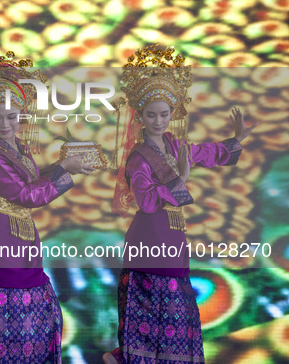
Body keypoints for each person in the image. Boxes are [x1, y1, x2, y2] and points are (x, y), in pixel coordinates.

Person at [103, 45, 257, 364]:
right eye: (151, 114)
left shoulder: (175, 145)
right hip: (149, 235)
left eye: (164, 113)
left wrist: (235, 142)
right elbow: (146, 201)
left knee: (176, 298)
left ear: (173, 112)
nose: (159, 120)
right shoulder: (137, 156)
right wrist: (180, 178)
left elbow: (204, 153)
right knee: (153, 298)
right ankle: (129, 357)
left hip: (173, 234)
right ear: (139, 115)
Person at [0, 52, 93, 363]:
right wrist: (63, 169)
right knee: (3, 327)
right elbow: (25, 195)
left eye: (12, 115)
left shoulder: (15, 149)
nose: (6, 124)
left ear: (22, 115)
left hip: (18, 238)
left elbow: (29, 186)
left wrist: (62, 167)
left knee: (31, 322)